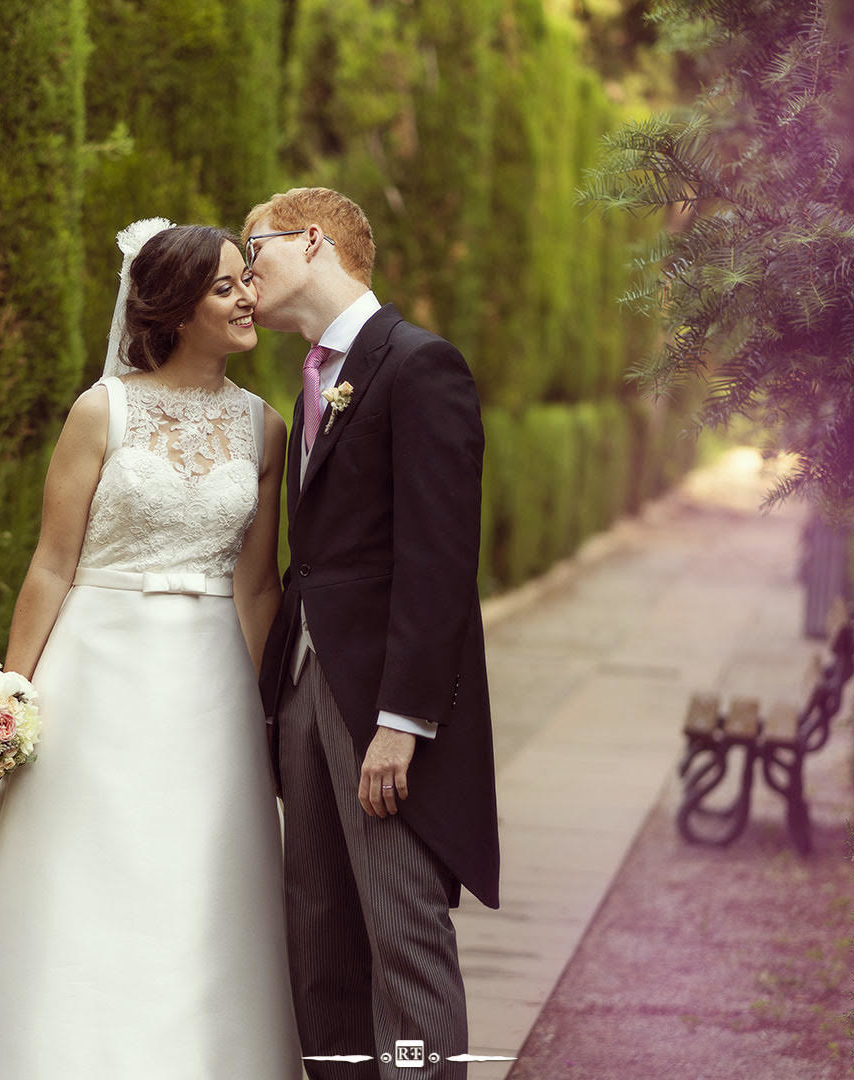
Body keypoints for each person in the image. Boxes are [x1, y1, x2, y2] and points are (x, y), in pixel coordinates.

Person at [0, 222, 301, 1079]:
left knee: (200, 872)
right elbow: (52, 563)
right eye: (225, 287)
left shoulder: (266, 427)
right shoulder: (102, 409)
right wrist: (9, 696)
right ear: (177, 309)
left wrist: (263, 716)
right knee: (76, 867)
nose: (249, 296)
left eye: (247, 280)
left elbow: (258, 587)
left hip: (211, 683)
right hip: (95, 671)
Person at [244, 187, 500, 1080]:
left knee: (402, 936)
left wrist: (403, 721)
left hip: (381, 704)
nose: (244, 275)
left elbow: (438, 560)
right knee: (318, 942)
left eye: (255, 249)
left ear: (312, 242)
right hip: (307, 688)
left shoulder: (420, 364)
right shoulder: (312, 375)